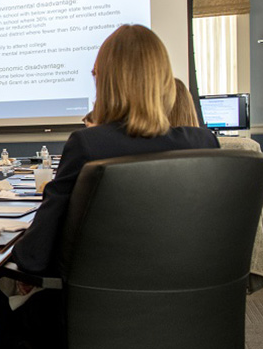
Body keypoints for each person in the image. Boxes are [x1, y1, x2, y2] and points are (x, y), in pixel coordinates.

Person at [12, 25, 219, 276]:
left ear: (105, 82)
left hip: (93, 306)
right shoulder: (204, 142)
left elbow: (34, 255)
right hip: (195, 302)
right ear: (165, 82)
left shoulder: (88, 145)